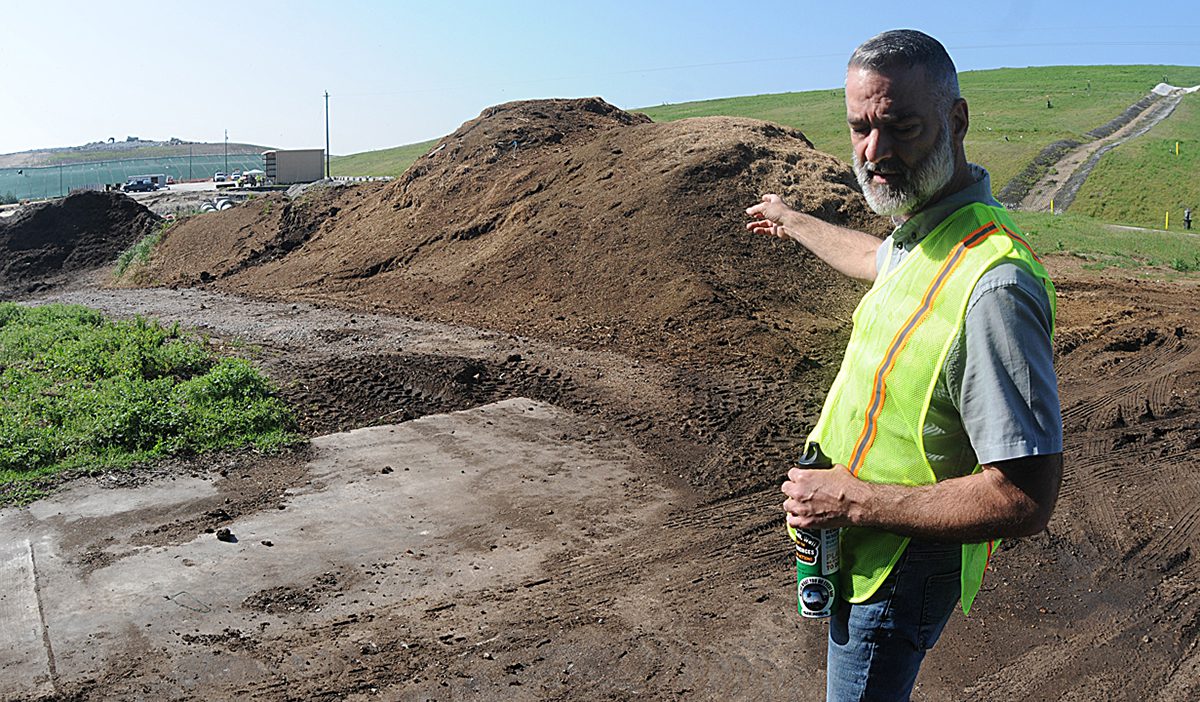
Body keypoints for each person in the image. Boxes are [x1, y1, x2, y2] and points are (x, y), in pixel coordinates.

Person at [745, 30, 1063, 701]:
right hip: (856, 550)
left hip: (899, 569)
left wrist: (852, 501)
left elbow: (1024, 495)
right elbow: (871, 258)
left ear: (957, 121)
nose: (874, 152)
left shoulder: (994, 284)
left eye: (900, 127)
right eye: (860, 127)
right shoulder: (922, 238)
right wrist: (792, 220)